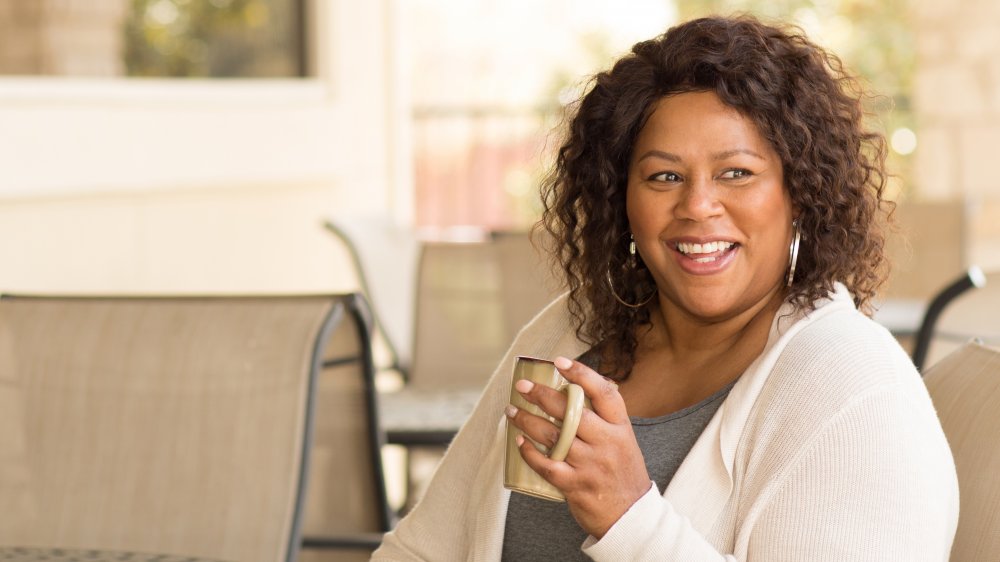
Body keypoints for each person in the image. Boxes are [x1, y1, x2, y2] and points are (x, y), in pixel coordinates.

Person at [372, 14, 958, 561]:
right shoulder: (572, 333)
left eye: (737, 173)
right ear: (621, 199)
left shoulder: (855, 390)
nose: (697, 206)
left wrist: (630, 518)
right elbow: (422, 549)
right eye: (664, 176)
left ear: (799, 193)